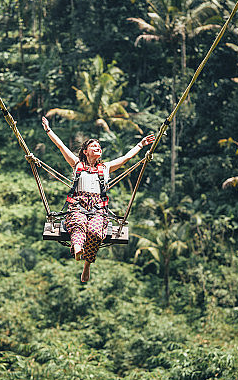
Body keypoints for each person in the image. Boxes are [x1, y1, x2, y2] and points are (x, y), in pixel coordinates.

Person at [41, 117, 155, 283]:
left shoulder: (105, 168)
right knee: (78, 225)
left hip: (98, 209)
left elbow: (125, 158)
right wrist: (48, 130)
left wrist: (141, 145)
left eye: (99, 146)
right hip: (78, 206)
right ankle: (78, 247)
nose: (97, 148)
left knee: (95, 232)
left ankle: (87, 264)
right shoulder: (77, 164)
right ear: (85, 151)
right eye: (93, 146)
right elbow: (61, 146)